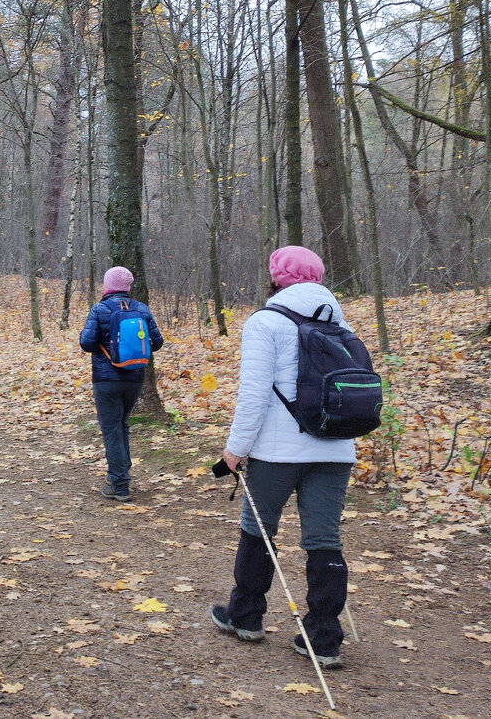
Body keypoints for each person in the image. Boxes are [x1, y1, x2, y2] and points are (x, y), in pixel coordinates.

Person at [211, 245, 354, 669]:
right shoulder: (339, 321)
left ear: (276, 276)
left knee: (258, 529)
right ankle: (324, 636)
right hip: (336, 447)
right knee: (324, 539)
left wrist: (234, 450)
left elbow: (253, 395)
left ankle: (246, 616)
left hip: (277, 451)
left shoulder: (266, 322)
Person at [79, 266, 164, 503]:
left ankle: (119, 485)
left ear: (108, 286)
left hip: (106, 379)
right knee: (122, 424)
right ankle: (122, 472)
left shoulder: (100, 308)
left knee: (112, 429)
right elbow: (157, 342)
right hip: (134, 378)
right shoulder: (142, 309)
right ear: (128, 286)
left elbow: (86, 343)